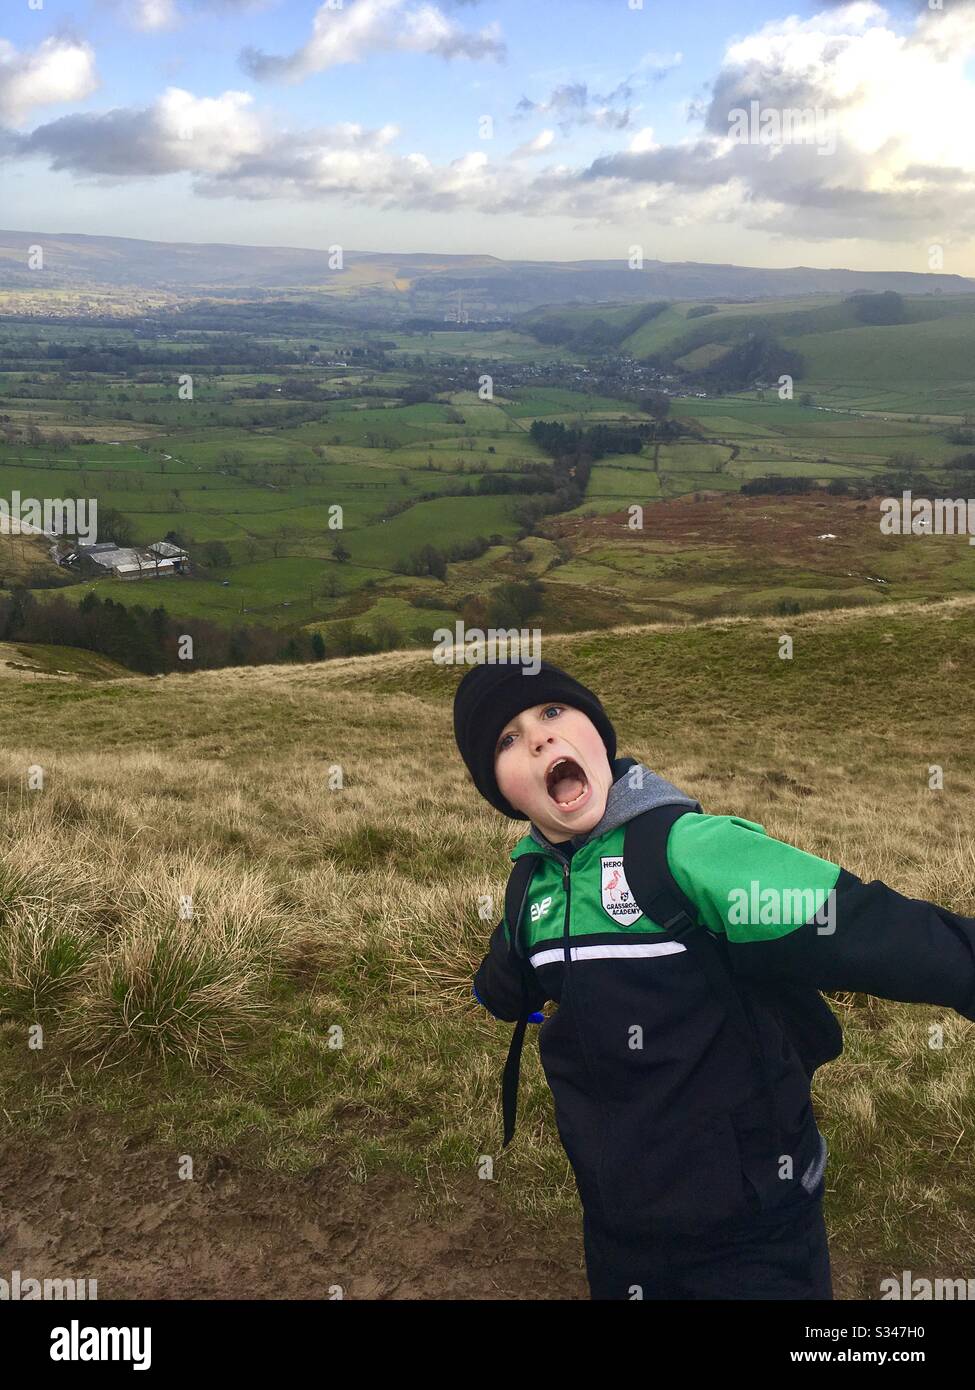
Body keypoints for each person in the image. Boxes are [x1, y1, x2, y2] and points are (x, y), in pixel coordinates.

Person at [452, 658, 975, 1300]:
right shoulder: (529, 886)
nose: (538, 738)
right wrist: (493, 993)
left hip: (751, 1228)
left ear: (598, 732)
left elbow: (868, 927)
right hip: (619, 1229)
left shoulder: (688, 850)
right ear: (500, 791)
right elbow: (510, 971)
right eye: (507, 740)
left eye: (553, 712)